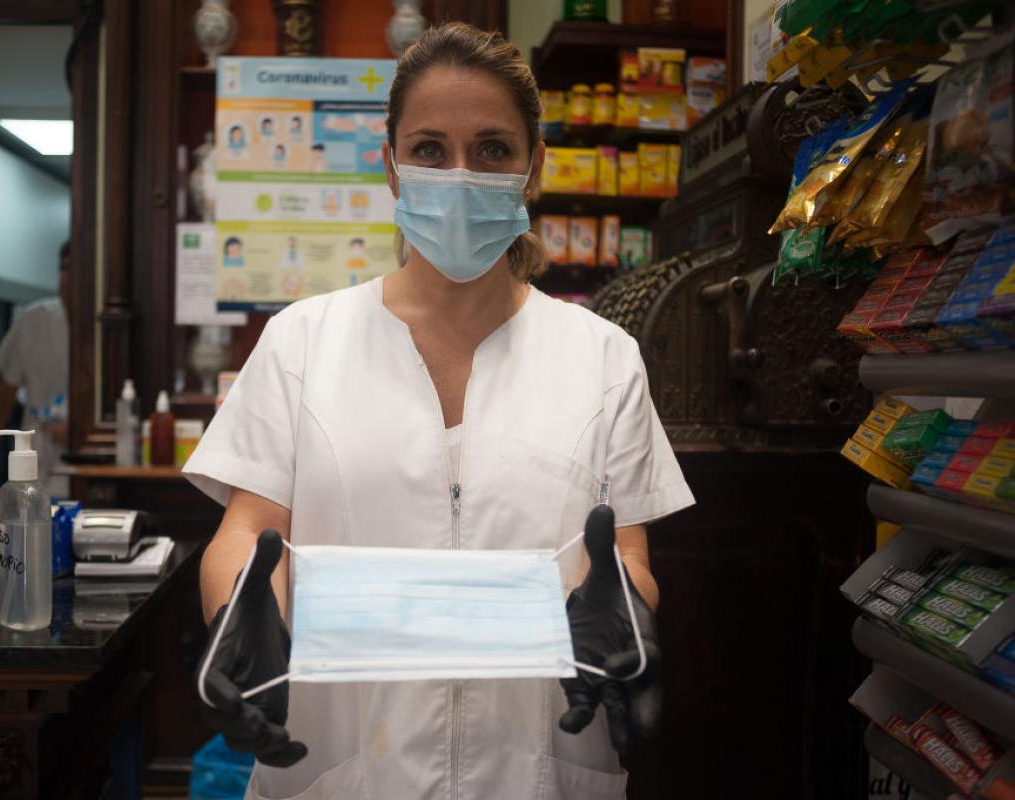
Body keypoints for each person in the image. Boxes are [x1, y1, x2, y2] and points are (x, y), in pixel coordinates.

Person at [184, 23, 693, 800]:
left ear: (533, 168)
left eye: (492, 149)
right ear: (390, 167)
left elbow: (624, 555)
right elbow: (249, 535)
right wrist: (237, 621)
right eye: (430, 150)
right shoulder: (303, 342)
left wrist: (627, 608)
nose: (460, 174)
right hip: (343, 767)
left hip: (538, 769)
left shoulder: (602, 357)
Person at [0, 241, 70, 497]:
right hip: (38, 453)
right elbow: (4, 394)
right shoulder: (35, 320)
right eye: (63, 268)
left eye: (76, 269)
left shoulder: (109, 329)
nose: (67, 277)